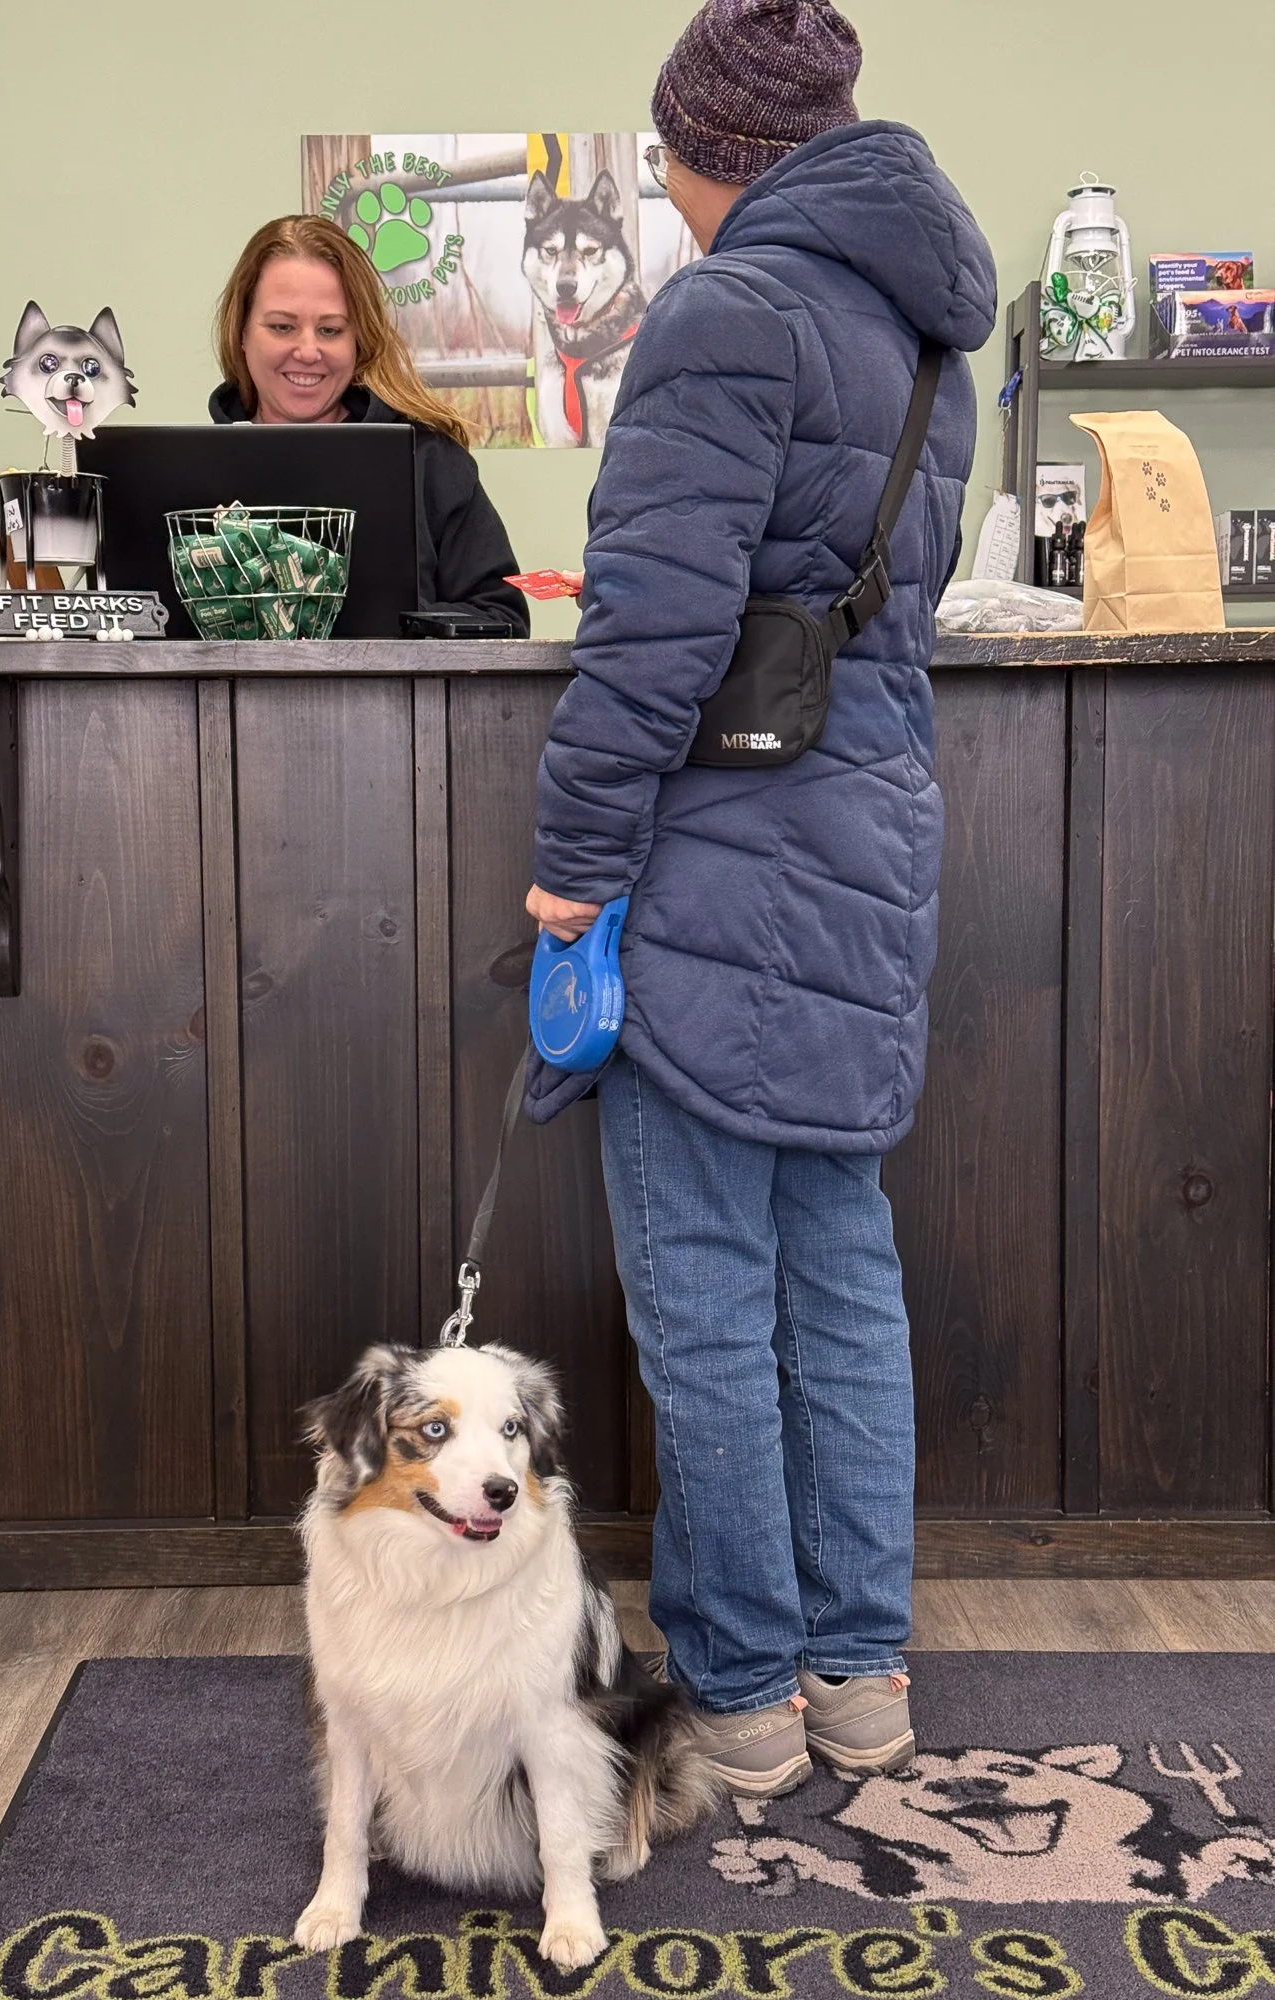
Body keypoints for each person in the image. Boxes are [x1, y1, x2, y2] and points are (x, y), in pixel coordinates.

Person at [525, 0, 996, 1797]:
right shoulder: (925, 333)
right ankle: (862, 1683)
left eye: (667, 155)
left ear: (713, 150)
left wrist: (576, 862)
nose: (664, 187)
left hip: (718, 870)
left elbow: (650, 639)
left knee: (711, 1300)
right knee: (843, 1281)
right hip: (871, 856)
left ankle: (738, 1702)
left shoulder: (727, 313)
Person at [211, 215, 528, 635]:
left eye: (330, 330)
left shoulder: (429, 462)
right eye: (282, 327)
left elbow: (502, 619)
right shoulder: (189, 471)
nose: (308, 351)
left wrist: (400, 625)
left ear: (359, 341)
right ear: (242, 334)